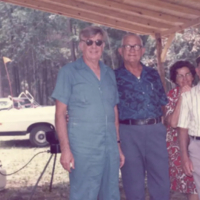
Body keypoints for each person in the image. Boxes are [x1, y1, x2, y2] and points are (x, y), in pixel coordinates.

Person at [51, 26, 125, 200]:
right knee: (84, 194)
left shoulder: (109, 74)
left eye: (98, 42)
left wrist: (118, 147)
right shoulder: (68, 72)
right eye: (89, 42)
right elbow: (60, 114)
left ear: (103, 45)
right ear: (81, 45)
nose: (94, 46)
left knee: (111, 193)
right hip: (83, 149)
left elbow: (113, 111)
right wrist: (65, 150)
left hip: (109, 148)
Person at [115, 33, 170, 200]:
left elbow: (162, 102)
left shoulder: (153, 74)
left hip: (155, 131)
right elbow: (110, 108)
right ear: (120, 51)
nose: (132, 50)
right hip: (128, 132)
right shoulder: (113, 76)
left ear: (143, 50)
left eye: (136, 46)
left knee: (161, 180)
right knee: (133, 182)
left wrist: (161, 128)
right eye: (128, 46)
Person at [165, 60, 198, 200]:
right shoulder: (171, 96)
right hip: (178, 146)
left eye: (187, 74)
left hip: (195, 143)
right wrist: (181, 98)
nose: (185, 79)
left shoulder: (198, 92)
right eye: (180, 76)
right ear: (175, 79)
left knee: (195, 186)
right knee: (190, 186)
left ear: (193, 75)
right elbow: (172, 123)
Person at [178, 56, 200, 199]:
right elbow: (183, 128)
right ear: (198, 71)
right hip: (197, 148)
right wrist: (185, 157)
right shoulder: (189, 96)